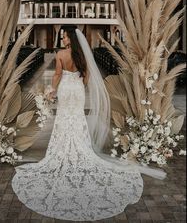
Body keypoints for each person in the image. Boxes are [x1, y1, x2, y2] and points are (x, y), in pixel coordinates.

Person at [12, 26, 166, 221]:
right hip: (76, 89)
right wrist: (80, 84)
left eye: (64, 36)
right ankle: (81, 149)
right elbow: (87, 76)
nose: (63, 39)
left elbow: (58, 75)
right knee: (77, 118)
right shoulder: (84, 54)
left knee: (64, 118)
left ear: (69, 38)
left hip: (66, 89)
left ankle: (62, 151)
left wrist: (52, 91)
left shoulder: (60, 54)